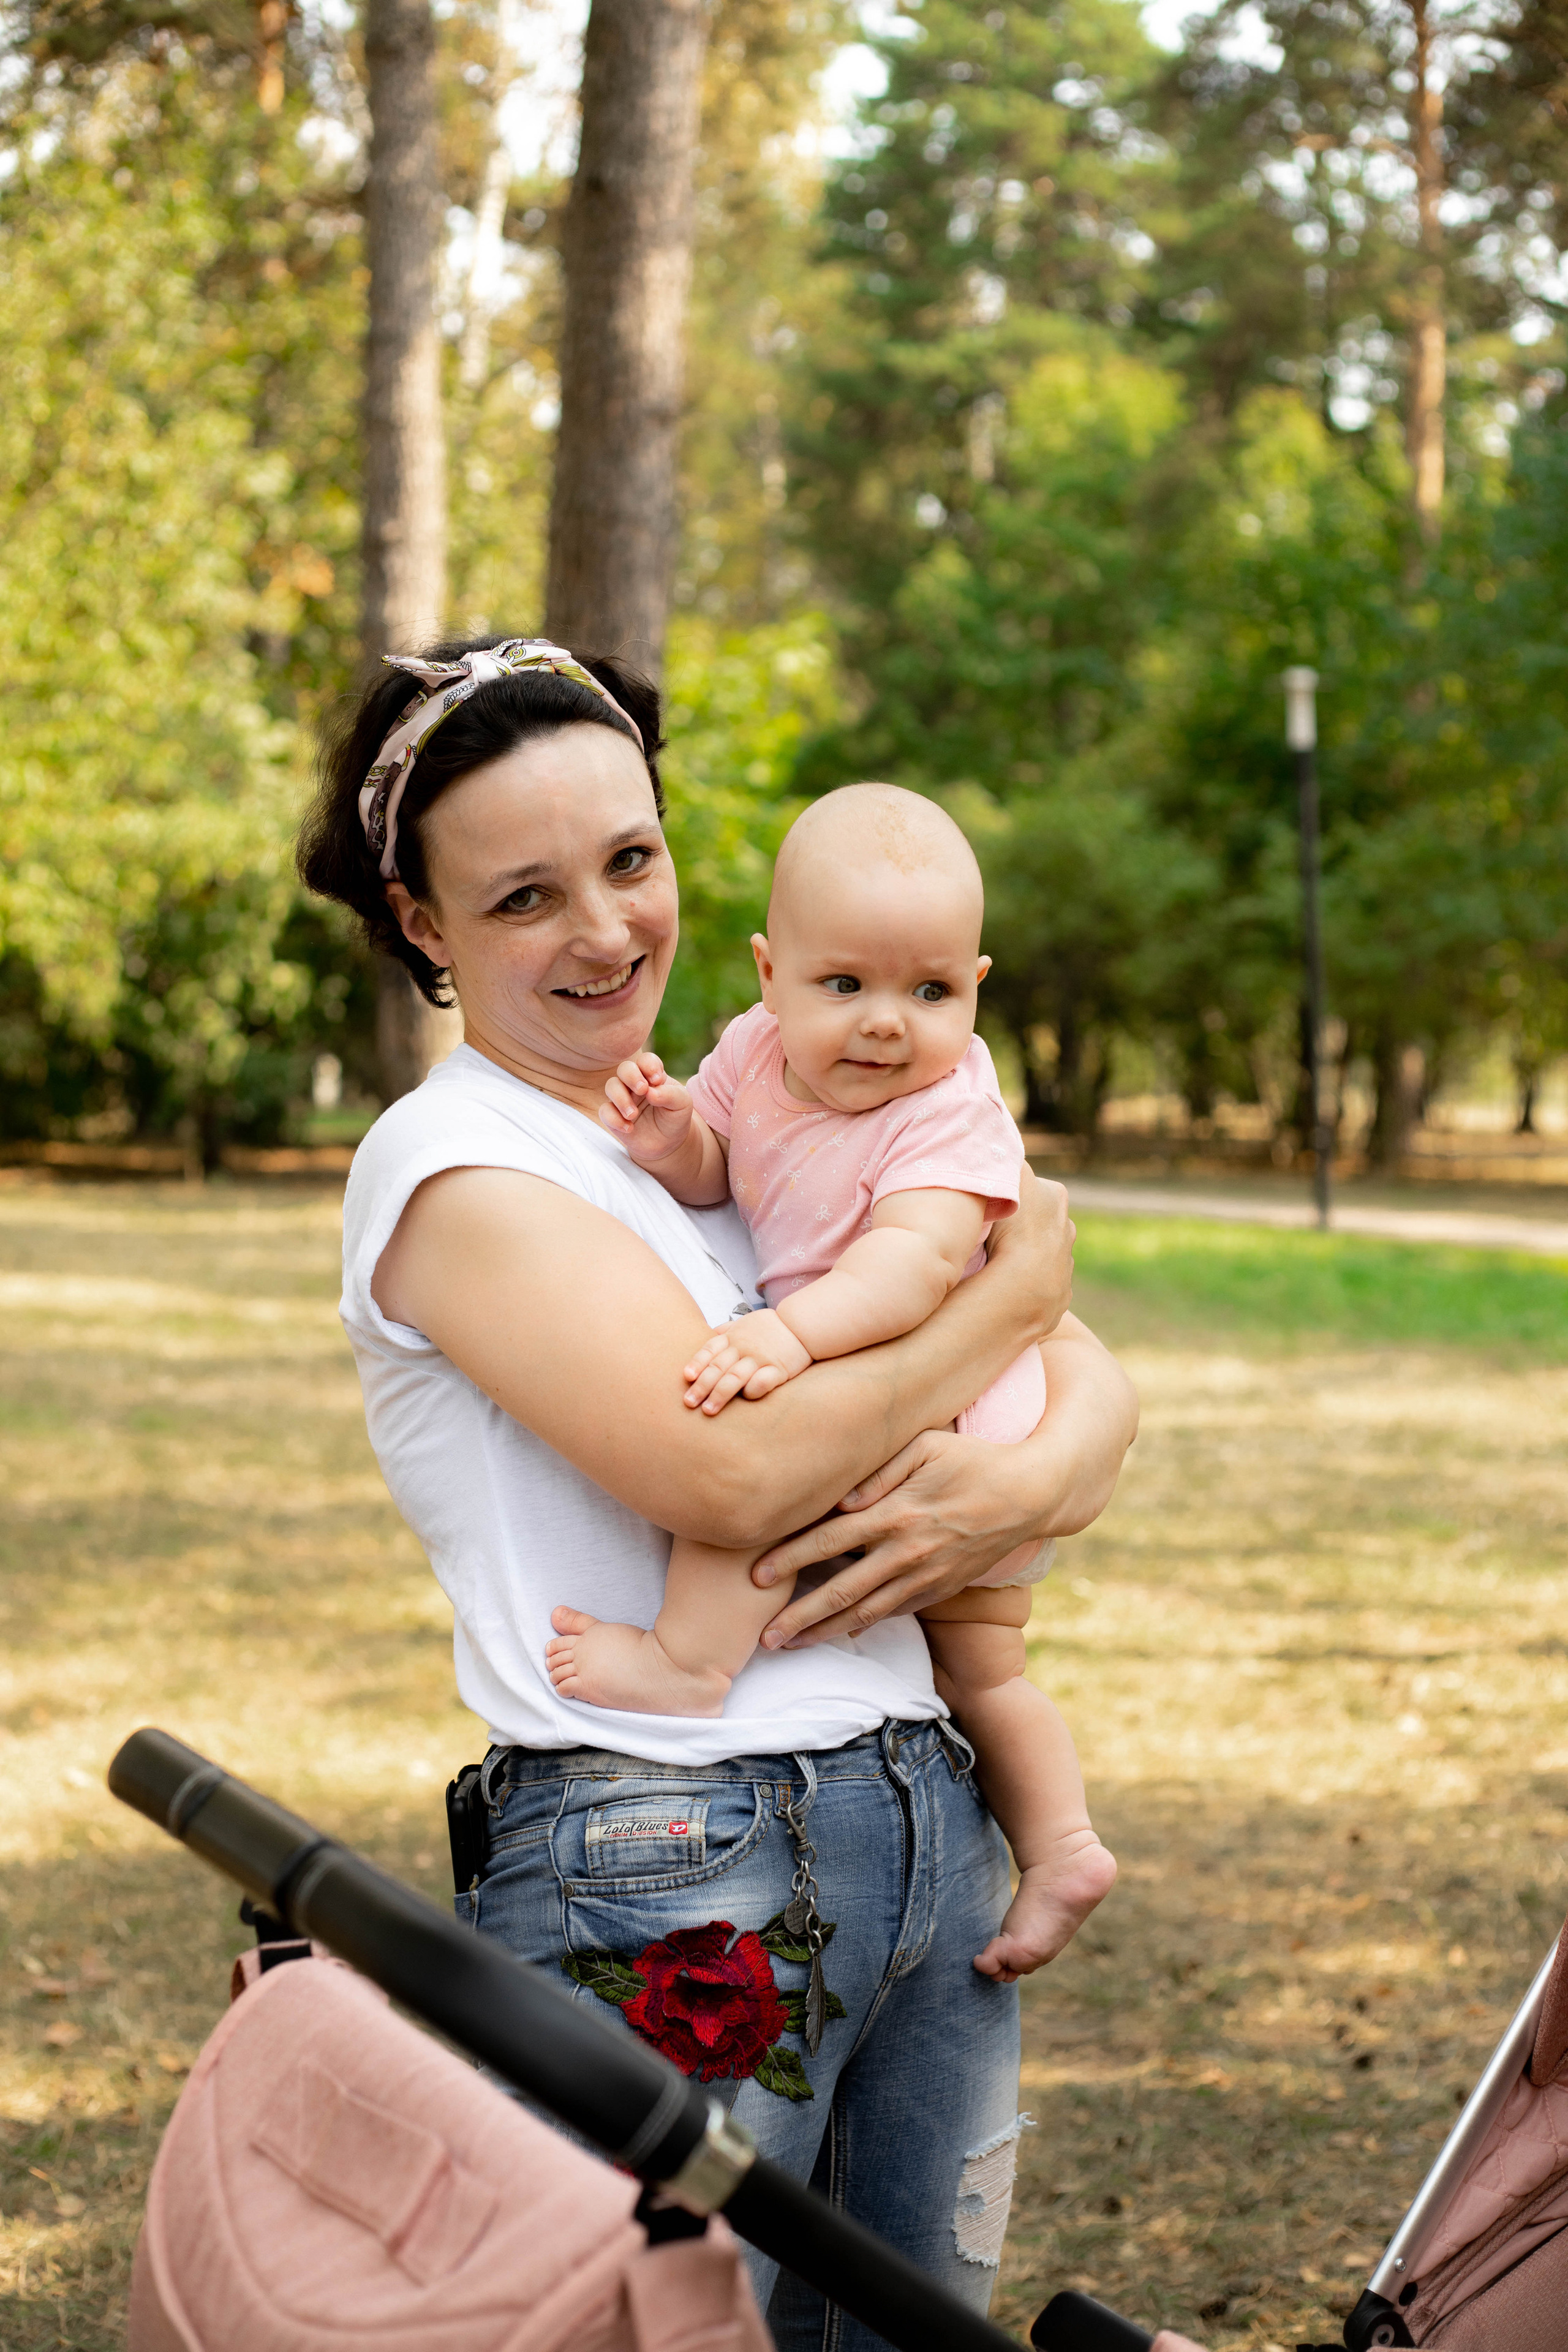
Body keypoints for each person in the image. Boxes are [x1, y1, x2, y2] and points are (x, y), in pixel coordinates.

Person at [299, 635, 1139, 2352]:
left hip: (924, 1822)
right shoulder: (452, 1165)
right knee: (667, 2334)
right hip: (668, 1851)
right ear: (421, 924)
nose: (607, 931)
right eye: (524, 897)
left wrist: (1046, 1459)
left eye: (631, 859)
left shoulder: (747, 1114)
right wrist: (1009, 1301)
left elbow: (1071, 1375)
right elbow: (730, 1470)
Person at [548, 784, 1116, 1988]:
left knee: (761, 1445)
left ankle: (688, 1663)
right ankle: (1061, 1846)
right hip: (925, 1382)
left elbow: (914, 1265)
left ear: (976, 986)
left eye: (931, 992)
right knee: (980, 1673)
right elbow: (721, 1166)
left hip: (942, 1400)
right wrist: (673, 1143)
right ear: (771, 974)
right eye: (844, 984)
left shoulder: (950, 1112)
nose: (886, 1025)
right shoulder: (752, 1056)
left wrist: (793, 1338)